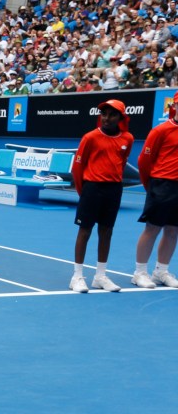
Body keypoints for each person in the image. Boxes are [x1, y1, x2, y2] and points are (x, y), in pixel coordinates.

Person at [68, 100, 133, 293]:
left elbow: (121, 163)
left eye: (112, 114)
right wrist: (85, 191)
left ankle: (100, 276)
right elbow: (78, 168)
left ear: (121, 118)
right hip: (92, 189)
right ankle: (77, 276)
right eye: (104, 114)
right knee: (85, 231)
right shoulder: (90, 137)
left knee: (106, 232)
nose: (106, 118)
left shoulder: (127, 139)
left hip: (113, 190)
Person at [131, 93, 178, 288]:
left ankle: (161, 272)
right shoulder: (161, 130)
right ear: (175, 104)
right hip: (162, 184)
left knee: (173, 230)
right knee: (152, 228)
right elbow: (143, 161)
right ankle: (140, 273)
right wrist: (150, 186)